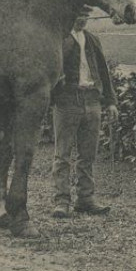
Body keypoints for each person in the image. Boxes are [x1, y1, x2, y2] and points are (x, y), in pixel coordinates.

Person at [50, 13, 119, 218]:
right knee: (62, 155)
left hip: (92, 101)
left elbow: (104, 73)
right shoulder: (60, 39)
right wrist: (55, 97)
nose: (83, 17)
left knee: (88, 154)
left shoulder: (91, 40)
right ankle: (61, 202)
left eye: (87, 13)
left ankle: (86, 199)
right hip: (67, 101)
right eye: (79, 12)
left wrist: (111, 102)